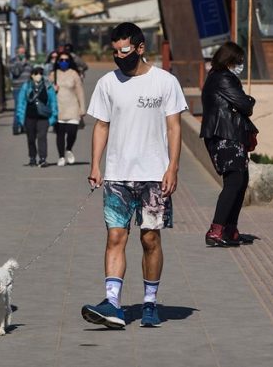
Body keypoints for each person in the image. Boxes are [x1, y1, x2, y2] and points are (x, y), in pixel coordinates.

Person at [82, 22, 187, 329]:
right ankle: (112, 303)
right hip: (117, 175)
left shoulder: (165, 82)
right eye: (114, 51)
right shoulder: (107, 84)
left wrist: (173, 167)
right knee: (115, 236)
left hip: (154, 176)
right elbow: (101, 125)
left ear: (140, 48)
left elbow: (174, 127)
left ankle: (150, 303)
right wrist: (95, 165)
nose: (119, 56)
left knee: (150, 238)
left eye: (124, 50)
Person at [200, 41, 259, 247]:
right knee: (234, 182)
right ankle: (216, 230)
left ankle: (230, 229)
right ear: (230, 60)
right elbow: (244, 104)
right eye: (239, 60)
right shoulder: (224, 78)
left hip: (230, 135)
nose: (241, 64)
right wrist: (250, 100)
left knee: (240, 182)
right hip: (225, 135)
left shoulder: (217, 77)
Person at [16, 65, 58, 167]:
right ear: (31, 75)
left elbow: (53, 102)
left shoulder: (48, 86)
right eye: (36, 73)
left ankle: (43, 159)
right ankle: (32, 158)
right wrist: (21, 118)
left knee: (42, 137)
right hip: (29, 117)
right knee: (31, 138)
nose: (38, 76)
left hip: (43, 118)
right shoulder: (26, 86)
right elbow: (21, 102)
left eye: (40, 73)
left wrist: (53, 118)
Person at [53, 52, 86, 166]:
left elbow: (80, 92)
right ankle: (61, 156)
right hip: (58, 108)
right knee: (60, 134)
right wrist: (52, 88)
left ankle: (69, 149)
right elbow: (46, 90)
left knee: (72, 132)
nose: (64, 62)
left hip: (73, 107)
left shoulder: (74, 74)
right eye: (61, 60)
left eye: (66, 60)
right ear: (58, 61)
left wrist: (82, 108)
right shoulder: (53, 74)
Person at [9, 45, 32, 135]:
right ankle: (15, 127)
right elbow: (16, 72)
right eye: (21, 52)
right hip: (17, 88)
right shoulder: (13, 61)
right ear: (17, 53)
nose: (23, 54)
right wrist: (22, 63)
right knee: (18, 107)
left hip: (27, 88)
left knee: (26, 107)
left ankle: (24, 126)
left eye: (24, 52)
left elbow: (31, 73)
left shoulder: (28, 62)